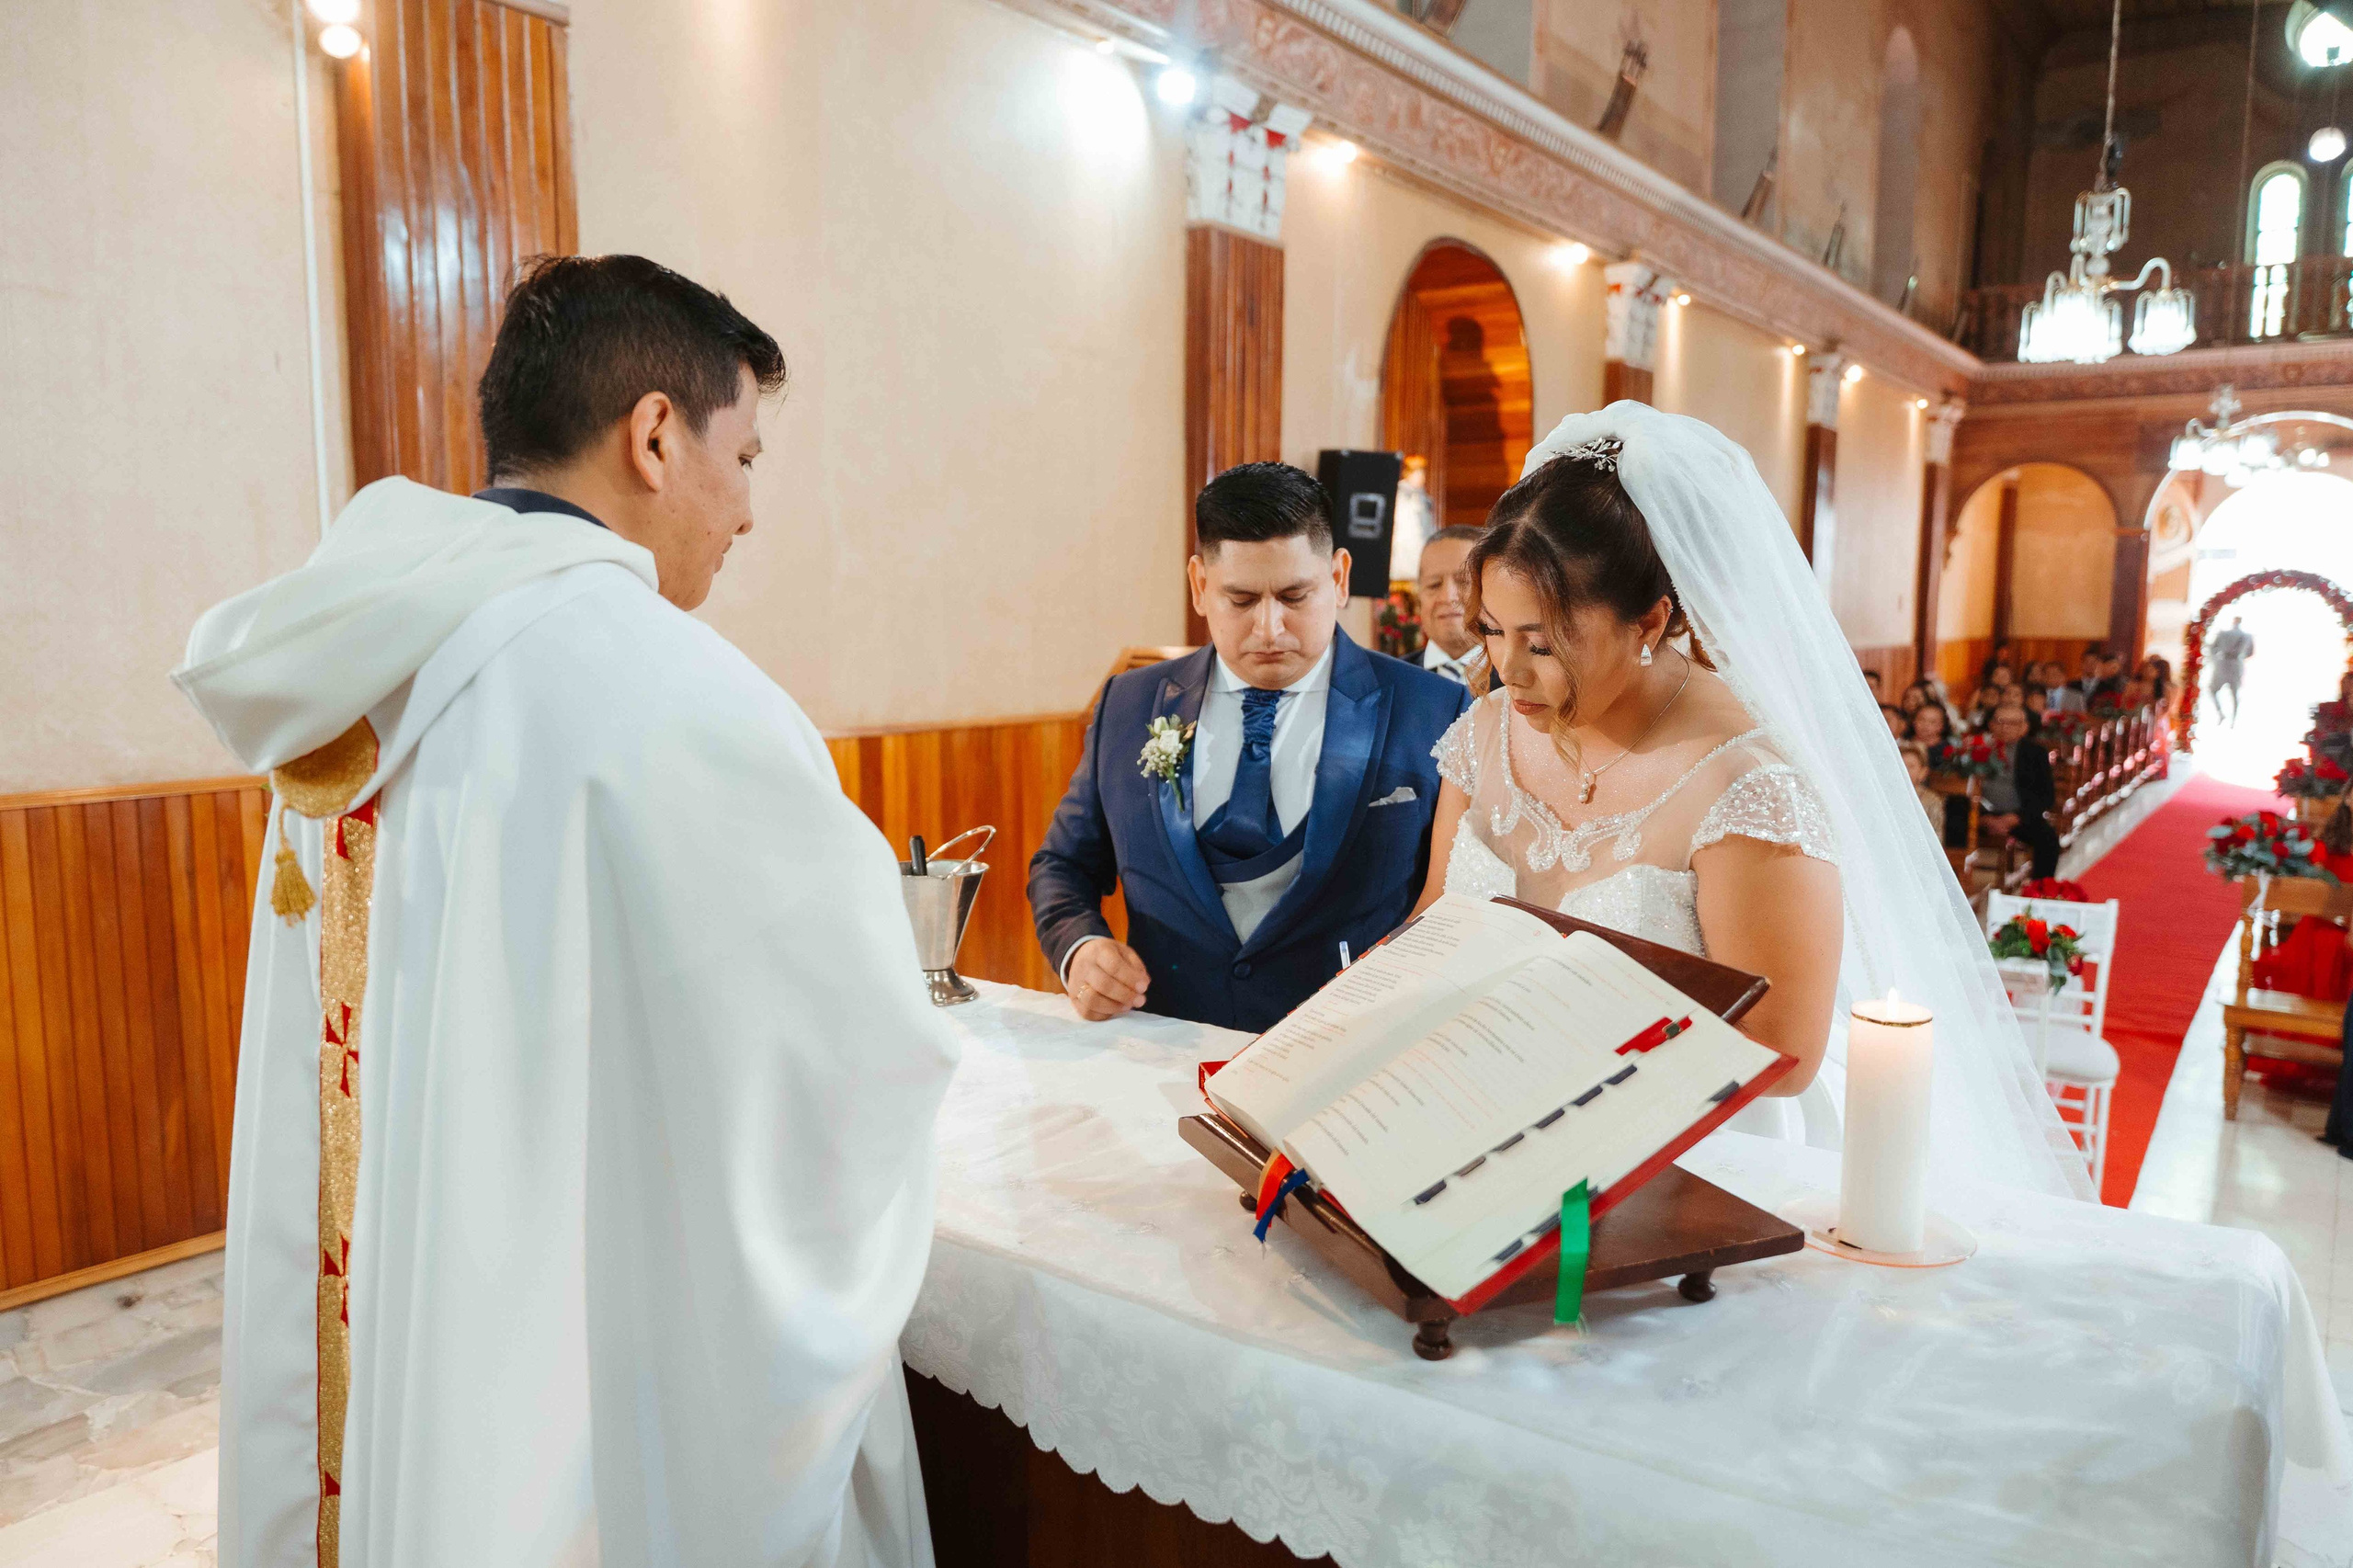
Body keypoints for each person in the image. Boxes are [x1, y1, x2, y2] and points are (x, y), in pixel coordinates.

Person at [173, 256, 958, 1567]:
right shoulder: (678, 691)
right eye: (746, 456)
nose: (749, 509)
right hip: (559, 1342)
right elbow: (856, 1062)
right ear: (655, 434)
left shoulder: (358, 654)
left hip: (414, 1315)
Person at [1411, 401, 2089, 1199]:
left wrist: (1543, 1055)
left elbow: (1782, 1045)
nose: (1508, 671)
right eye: (1493, 631)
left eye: (1544, 643)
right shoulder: (1488, 727)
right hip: (1475, 1120)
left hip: (1697, 1158)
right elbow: (1435, 920)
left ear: (1651, 621)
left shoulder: (1748, 782)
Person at [1030, 462, 1471, 1032]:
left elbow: (1461, 904)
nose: (1269, 628)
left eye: (1294, 596)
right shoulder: (1128, 705)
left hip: (1353, 1054)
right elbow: (1063, 865)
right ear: (1198, 585)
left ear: (1338, 578)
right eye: (1239, 599)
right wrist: (1080, 948)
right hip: (1164, 1056)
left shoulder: (1434, 710)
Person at [1982, 701, 2061, 879]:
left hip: (2018, 816)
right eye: (2000, 722)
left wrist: (2015, 818)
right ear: (1991, 724)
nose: (2005, 728)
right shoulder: (1976, 747)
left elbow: (2046, 796)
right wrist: (1983, 818)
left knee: (2048, 839)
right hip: (1979, 815)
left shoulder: (2035, 752)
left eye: (2012, 723)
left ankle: (2039, 892)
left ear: (2024, 727)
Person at [1415, 523, 1489, 686]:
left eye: (1464, 582)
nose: (1447, 597)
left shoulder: (1519, 680)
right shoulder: (1390, 679)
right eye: (1434, 584)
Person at [2209, 614, 2256, 725]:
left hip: (2223, 664)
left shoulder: (2224, 634)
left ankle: (2224, 715)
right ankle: (2230, 718)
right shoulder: (2247, 636)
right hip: (2235, 665)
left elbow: (2212, 649)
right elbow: (2250, 653)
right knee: (2233, 694)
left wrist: (2216, 659)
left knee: (2216, 690)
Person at [1900, 740, 1942, 829]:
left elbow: (1936, 833)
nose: (1905, 770)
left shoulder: (1932, 800)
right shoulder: (1888, 796)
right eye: (1901, 765)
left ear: (1923, 772)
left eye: (1911, 766)